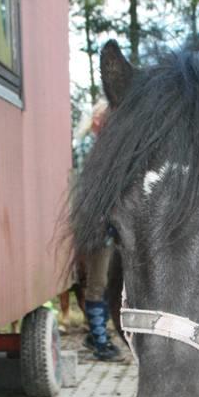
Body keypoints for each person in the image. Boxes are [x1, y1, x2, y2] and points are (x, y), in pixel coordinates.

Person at [75, 101, 121, 361]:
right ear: (96, 121)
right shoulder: (89, 149)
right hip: (97, 226)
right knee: (98, 282)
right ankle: (100, 342)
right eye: (107, 119)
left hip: (106, 225)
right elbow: (91, 192)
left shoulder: (102, 149)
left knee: (102, 282)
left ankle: (97, 334)